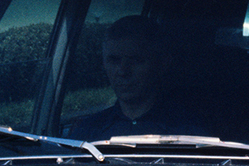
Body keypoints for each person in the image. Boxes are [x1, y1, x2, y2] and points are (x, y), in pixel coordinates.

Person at [63, 15, 203, 139]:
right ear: (104, 63)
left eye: (136, 60)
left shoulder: (190, 133)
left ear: (162, 64)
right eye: (114, 60)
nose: (123, 71)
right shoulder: (88, 132)